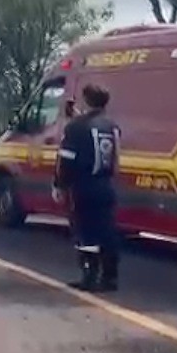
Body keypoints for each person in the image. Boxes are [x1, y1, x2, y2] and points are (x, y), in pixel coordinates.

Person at [54, 83, 122, 292]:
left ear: (86, 101)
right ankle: (110, 278)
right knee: (107, 232)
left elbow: (66, 160)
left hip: (84, 186)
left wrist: (59, 185)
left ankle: (89, 277)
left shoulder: (75, 128)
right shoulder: (112, 126)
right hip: (106, 185)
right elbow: (115, 158)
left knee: (85, 232)